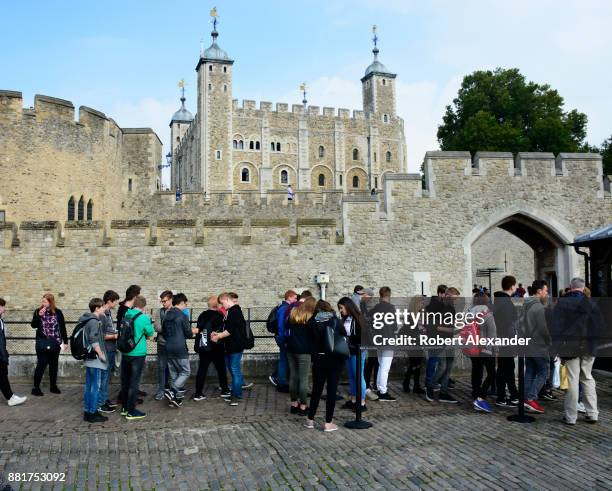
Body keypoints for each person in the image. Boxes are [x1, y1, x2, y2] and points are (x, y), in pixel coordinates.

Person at [551, 277, 602, 425]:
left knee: (573, 380)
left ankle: (571, 416)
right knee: (587, 378)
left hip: (570, 346)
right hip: (589, 347)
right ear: (583, 287)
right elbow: (600, 326)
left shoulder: (562, 303)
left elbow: (556, 328)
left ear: (570, 287)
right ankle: (592, 413)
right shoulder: (592, 303)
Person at [305, 300, 346, 432]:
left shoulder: (311, 322)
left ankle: (310, 419)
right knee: (331, 390)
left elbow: (309, 340)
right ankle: (328, 422)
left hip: (318, 358)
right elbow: (343, 335)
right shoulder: (335, 320)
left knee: (317, 389)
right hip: (334, 359)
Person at [120, 295, 155, 420]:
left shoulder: (127, 314)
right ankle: (131, 411)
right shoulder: (143, 318)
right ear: (144, 306)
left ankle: (124, 408)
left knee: (126, 382)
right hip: (137, 353)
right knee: (134, 383)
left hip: (125, 352)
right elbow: (151, 334)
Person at [212, 292, 247, 406]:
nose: (222, 306)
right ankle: (236, 392)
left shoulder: (234, 312)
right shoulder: (231, 312)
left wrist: (219, 336)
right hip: (231, 346)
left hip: (235, 346)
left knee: (235, 370)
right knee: (233, 369)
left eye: (222, 303)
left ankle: (236, 395)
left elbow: (230, 330)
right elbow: (227, 328)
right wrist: (218, 333)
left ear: (226, 299)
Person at [426, 287, 461, 404]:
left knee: (449, 366)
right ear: (448, 295)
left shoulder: (451, 307)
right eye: (453, 298)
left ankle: (444, 392)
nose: (454, 301)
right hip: (438, 340)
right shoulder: (437, 307)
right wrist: (450, 330)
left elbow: (451, 323)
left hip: (448, 340)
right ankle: (430, 387)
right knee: (442, 366)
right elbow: (434, 326)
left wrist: (456, 328)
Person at [162, 293, 197, 407]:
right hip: (180, 347)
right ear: (181, 303)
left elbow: (164, 332)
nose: (186, 306)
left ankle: (174, 399)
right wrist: (194, 331)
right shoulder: (182, 316)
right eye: (185, 304)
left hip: (168, 346)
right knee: (186, 371)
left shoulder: (167, 315)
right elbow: (188, 333)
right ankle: (172, 391)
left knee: (174, 374)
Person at [30, 293, 68, 396]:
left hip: (55, 343)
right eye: (42, 301)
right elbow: (33, 325)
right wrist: (39, 316)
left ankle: (53, 386)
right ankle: (36, 388)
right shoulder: (38, 311)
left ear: (50, 302)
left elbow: (62, 327)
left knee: (54, 365)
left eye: (45, 302)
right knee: (41, 365)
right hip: (42, 343)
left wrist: (65, 342)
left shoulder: (58, 312)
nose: (43, 303)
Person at [194, 295, 230, 401]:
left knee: (202, 369)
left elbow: (199, 329)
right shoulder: (219, 316)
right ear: (217, 305)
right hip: (216, 346)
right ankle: (224, 389)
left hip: (204, 346)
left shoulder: (202, 315)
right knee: (221, 369)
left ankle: (198, 392)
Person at [523, 280, 551, 414]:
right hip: (538, 344)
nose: (547, 293)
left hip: (527, 342)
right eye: (546, 290)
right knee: (544, 372)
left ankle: (526, 399)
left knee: (530, 371)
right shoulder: (538, 307)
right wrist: (549, 341)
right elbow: (543, 328)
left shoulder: (526, 304)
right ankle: (530, 398)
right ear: (539, 291)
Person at [81, 298, 109, 423]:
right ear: (97, 308)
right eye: (102, 307)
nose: (104, 308)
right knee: (94, 387)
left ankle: (88, 411)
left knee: (89, 386)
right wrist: (101, 353)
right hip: (95, 359)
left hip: (90, 359)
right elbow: (93, 338)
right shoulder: (93, 321)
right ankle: (92, 412)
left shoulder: (88, 320)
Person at [468, 292, 497, 413]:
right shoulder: (487, 315)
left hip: (473, 347)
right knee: (492, 374)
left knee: (476, 371)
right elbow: (492, 334)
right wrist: (494, 350)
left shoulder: (469, 313)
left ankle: (476, 393)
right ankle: (481, 397)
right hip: (485, 349)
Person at [493, 276, 519, 407]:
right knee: (507, 368)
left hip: (502, 339)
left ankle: (505, 395)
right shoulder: (506, 302)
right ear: (512, 286)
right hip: (506, 340)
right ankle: (509, 395)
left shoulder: (499, 301)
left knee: (504, 368)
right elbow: (509, 324)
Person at [287, 297, 316, 415]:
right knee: (303, 379)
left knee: (293, 377)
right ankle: (303, 406)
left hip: (291, 348)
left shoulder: (294, 314)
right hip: (304, 351)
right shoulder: (310, 318)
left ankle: (294, 404)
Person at [338, 297, 367, 412]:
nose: (340, 310)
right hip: (348, 351)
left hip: (357, 351)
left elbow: (362, 336)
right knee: (351, 376)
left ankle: (362, 402)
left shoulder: (359, 318)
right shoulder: (345, 319)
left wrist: (348, 339)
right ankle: (354, 399)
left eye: (341, 308)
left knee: (358, 376)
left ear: (348, 306)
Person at [369, 287, 397, 401]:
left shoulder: (375, 308)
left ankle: (379, 387)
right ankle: (383, 391)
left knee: (381, 365)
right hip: (388, 339)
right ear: (389, 295)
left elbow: (370, 322)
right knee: (385, 367)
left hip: (378, 339)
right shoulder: (391, 308)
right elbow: (394, 326)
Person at [0, 298, 27, 407]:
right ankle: (10, 398)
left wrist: (4, 354)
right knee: (2, 376)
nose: (4, 309)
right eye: (2, 306)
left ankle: (11, 397)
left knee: (2, 376)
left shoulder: (1, 321)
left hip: (2, 354)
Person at [269, 289, 297, 392]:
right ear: (289, 297)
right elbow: (281, 326)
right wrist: (284, 339)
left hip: (282, 337)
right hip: (282, 337)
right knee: (284, 359)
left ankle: (277, 377)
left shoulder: (284, 308)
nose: (296, 299)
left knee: (284, 358)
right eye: (294, 298)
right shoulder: (284, 308)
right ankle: (281, 382)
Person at [98, 290, 120, 414]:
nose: (116, 303)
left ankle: (104, 399)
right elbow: (102, 335)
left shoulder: (108, 313)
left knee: (106, 376)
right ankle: (101, 402)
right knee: (104, 376)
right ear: (109, 301)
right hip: (106, 348)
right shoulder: (103, 314)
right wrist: (115, 336)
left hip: (110, 348)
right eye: (115, 301)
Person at [152, 290, 173, 401]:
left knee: (173, 368)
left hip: (174, 344)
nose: (163, 303)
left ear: (171, 300)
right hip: (162, 344)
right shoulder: (159, 312)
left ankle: (172, 389)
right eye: (162, 301)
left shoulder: (176, 311)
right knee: (161, 368)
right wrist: (169, 327)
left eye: (165, 301)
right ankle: (161, 389)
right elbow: (157, 327)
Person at [424, 285, 447, 388]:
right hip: (435, 335)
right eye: (444, 294)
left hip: (433, 335)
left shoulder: (433, 304)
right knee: (433, 360)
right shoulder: (437, 305)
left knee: (434, 359)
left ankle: (431, 380)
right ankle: (429, 382)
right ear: (440, 293)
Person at [403, 295, 426, 395]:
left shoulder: (421, 314)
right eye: (421, 302)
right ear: (416, 303)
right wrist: (420, 330)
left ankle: (416, 385)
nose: (422, 304)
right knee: (413, 363)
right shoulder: (410, 314)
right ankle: (406, 382)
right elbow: (409, 328)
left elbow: (423, 326)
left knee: (418, 364)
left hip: (420, 341)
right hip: (412, 341)